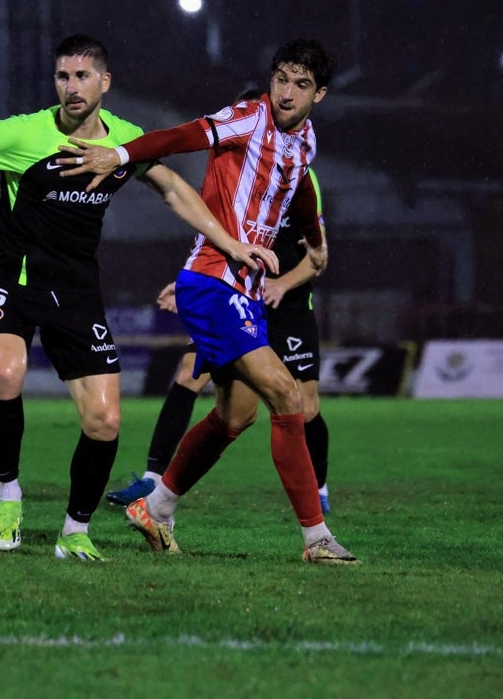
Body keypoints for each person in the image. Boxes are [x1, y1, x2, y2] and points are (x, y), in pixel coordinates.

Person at [0, 34, 276, 561]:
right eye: (63, 76)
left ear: (105, 83)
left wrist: (229, 243)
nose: (71, 87)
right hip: (12, 275)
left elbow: (175, 189)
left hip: (76, 285)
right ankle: (8, 495)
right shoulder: (24, 133)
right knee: (6, 371)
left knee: (106, 421)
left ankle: (74, 531)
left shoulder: (123, 142)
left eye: (83, 76)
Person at [59, 38, 358, 564]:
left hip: (242, 292)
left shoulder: (304, 140)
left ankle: (157, 506)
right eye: (281, 79)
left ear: (321, 94)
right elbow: (181, 137)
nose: (287, 93)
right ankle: (317, 539)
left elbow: (301, 190)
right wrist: (122, 154)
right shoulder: (247, 116)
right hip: (213, 280)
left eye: (301, 85)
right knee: (287, 396)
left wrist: (314, 241)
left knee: (235, 416)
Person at [107, 169, 333, 515]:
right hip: (238, 298)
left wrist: (283, 284)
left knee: (304, 404)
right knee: (188, 375)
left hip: (288, 306)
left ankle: (318, 488)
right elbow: (220, 243)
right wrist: (188, 283)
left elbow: (316, 256)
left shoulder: (301, 175)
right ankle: (154, 479)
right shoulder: (238, 177)